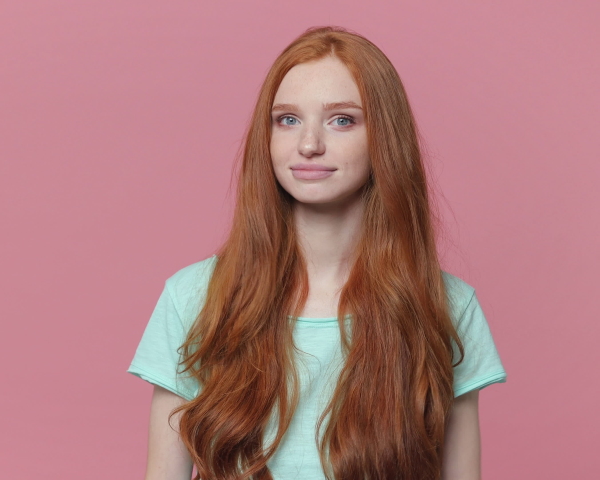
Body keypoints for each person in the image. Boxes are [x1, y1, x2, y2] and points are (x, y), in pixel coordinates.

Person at [127, 26, 507, 480]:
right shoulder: (193, 299)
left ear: (384, 137)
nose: (309, 144)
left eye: (341, 119)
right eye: (287, 119)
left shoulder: (447, 307)